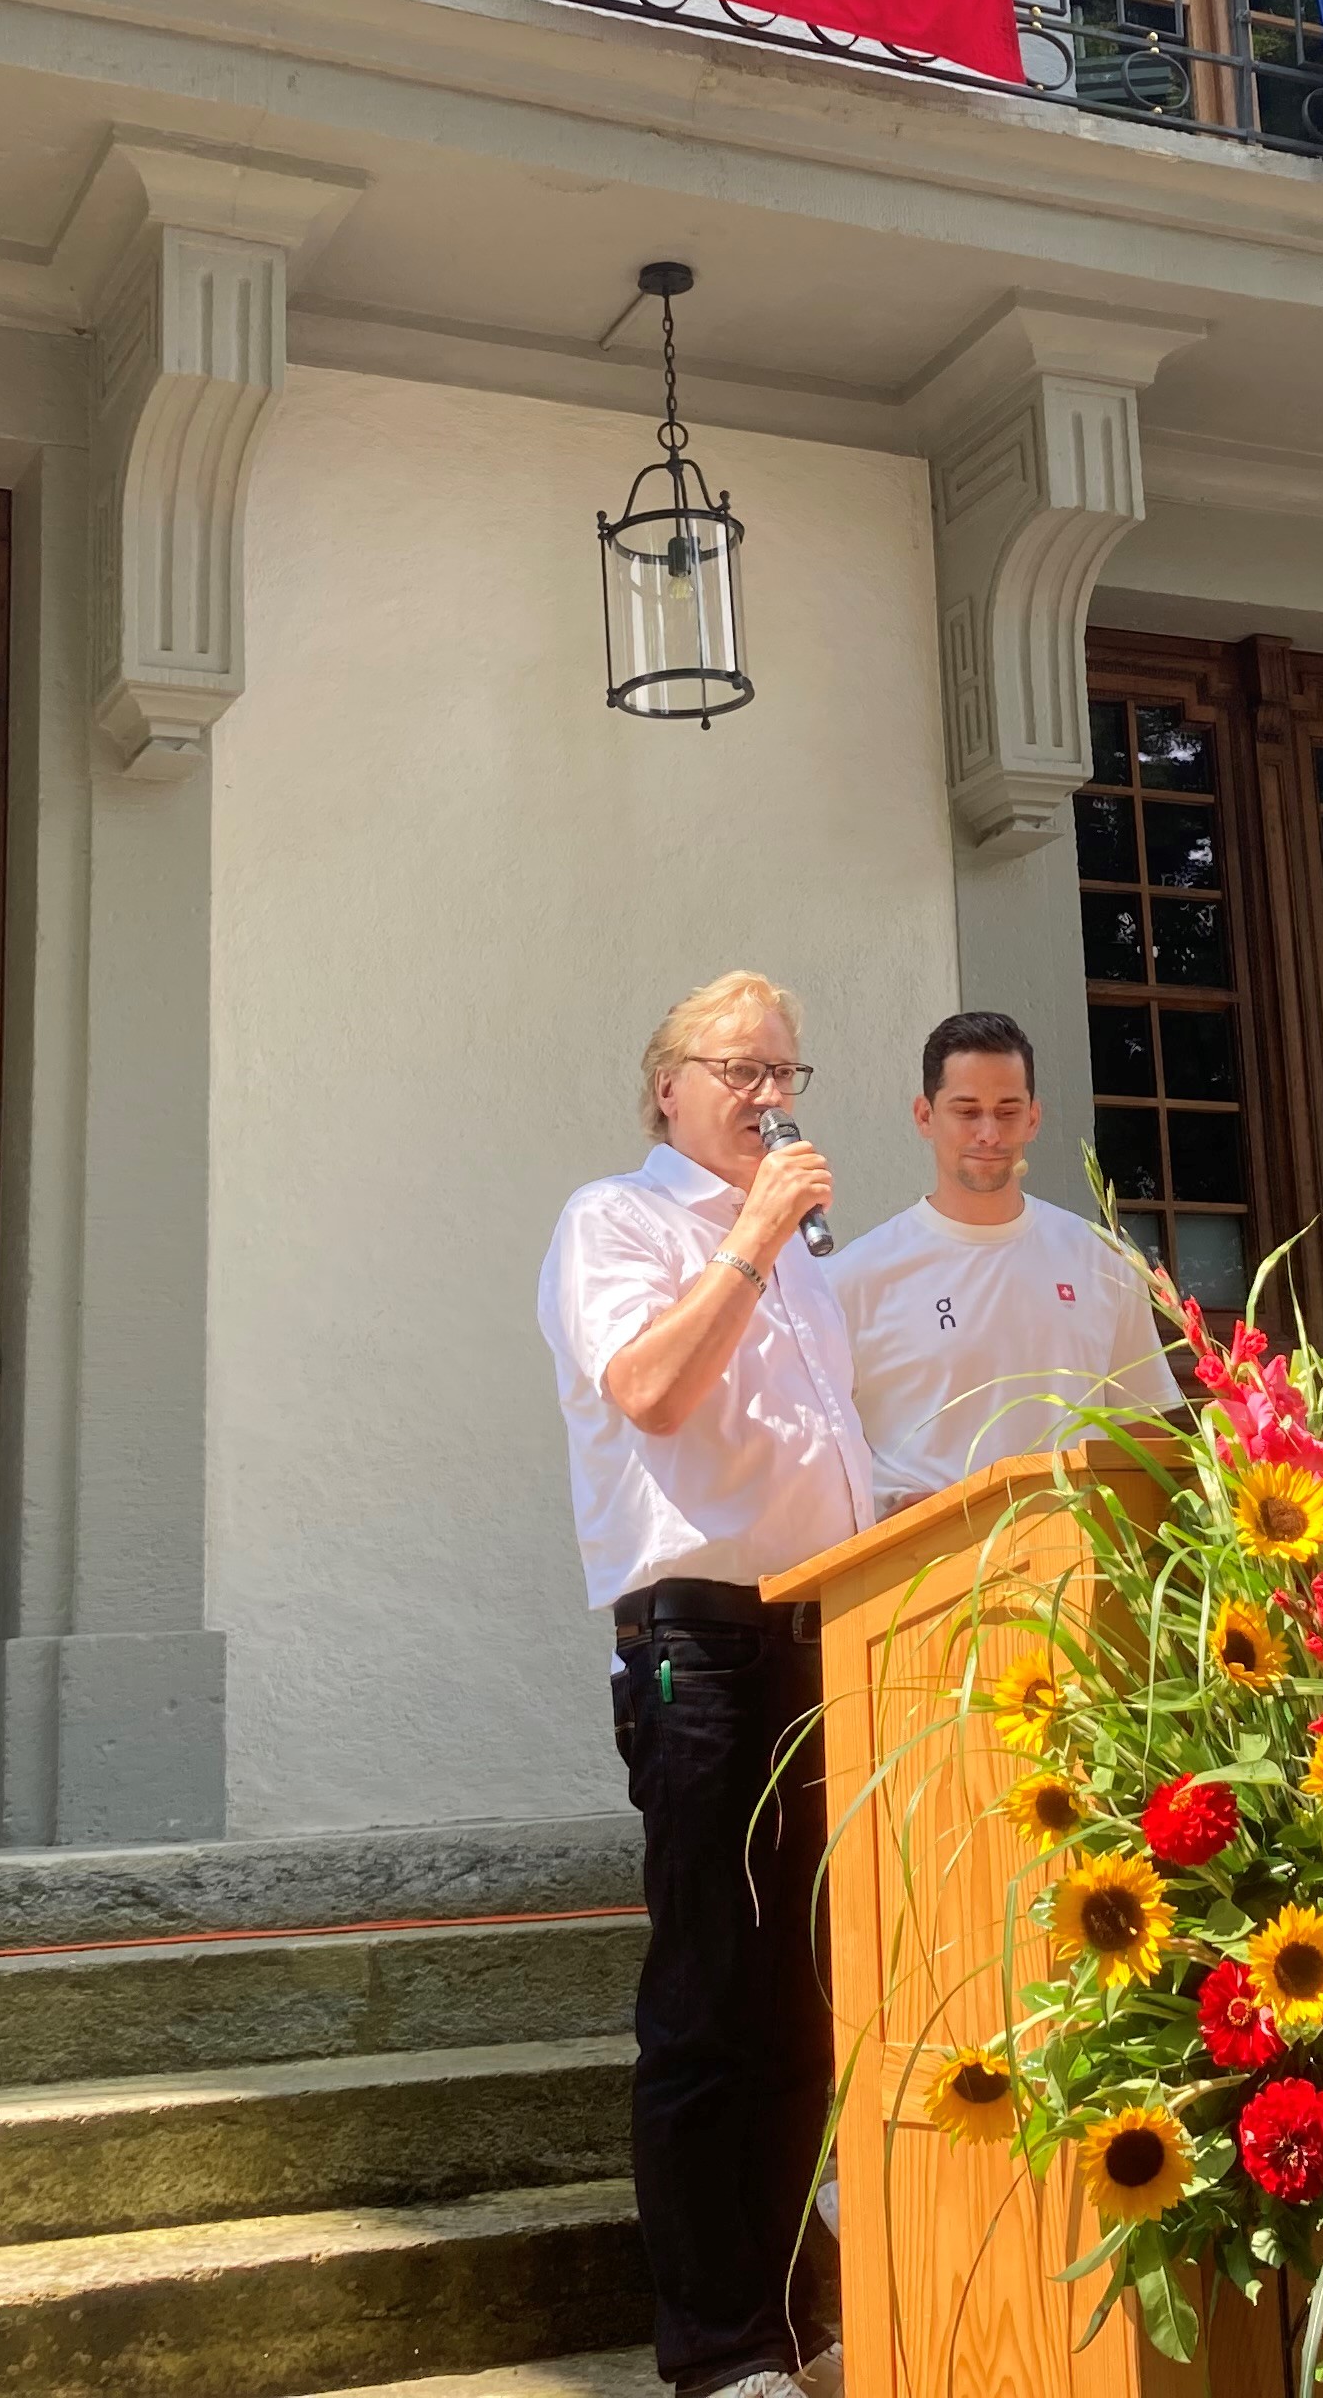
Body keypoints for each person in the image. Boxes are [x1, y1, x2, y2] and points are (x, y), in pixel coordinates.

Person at [538, 971, 867, 2398]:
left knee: (800, 1999)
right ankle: (718, 2349)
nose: (767, 1092)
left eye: (785, 1068)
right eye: (738, 1068)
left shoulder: (799, 1257)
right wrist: (748, 1235)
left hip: (824, 1640)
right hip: (699, 1650)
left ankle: (796, 2312)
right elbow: (649, 1393)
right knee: (709, 1994)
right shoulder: (614, 1221)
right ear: (666, 1081)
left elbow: (832, 1465)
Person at [835, 1010, 1174, 1512]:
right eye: (967, 1111)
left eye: (1007, 1111)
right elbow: (817, 1451)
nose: (989, 1133)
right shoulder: (853, 1276)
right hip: (919, 1573)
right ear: (924, 1116)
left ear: (1033, 1118)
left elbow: (1143, 1429)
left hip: (1080, 1562)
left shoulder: (1104, 1258)